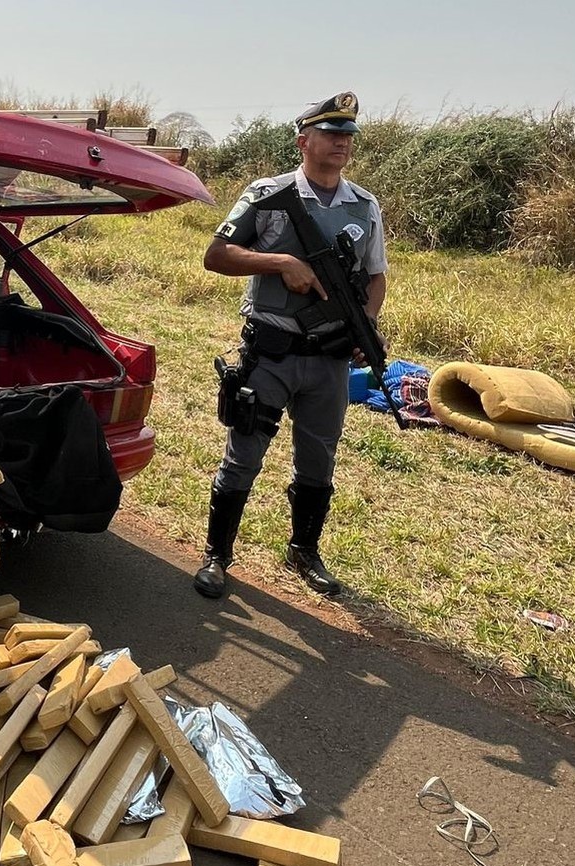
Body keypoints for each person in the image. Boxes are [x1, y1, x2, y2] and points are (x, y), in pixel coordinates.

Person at [193, 91, 388, 600]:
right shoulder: (265, 193)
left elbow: (374, 279)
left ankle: (303, 551)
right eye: (331, 133)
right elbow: (216, 256)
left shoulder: (364, 207)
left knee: (318, 460)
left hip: (328, 362)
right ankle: (218, 555)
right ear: (304, 140)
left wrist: (364, 328)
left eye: (348, 135)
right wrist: (279, 263)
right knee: (243, 457)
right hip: (271, 354)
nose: (342, 142)